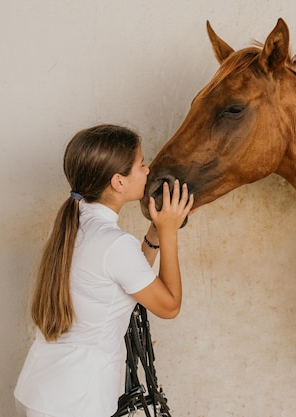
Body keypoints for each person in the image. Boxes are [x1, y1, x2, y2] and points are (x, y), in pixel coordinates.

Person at [14, 124, 194, 417]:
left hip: (43, 390)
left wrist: (154, 236)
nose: (148, 171)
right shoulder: (114, 243)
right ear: (118, 182)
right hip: (79, 401)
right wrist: (170, 232)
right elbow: (169, 305)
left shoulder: (70, 228)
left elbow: (125, 283)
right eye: (142, 164)